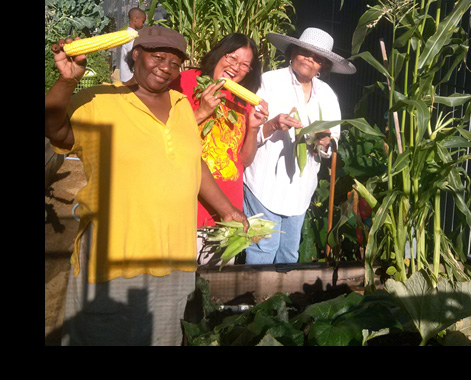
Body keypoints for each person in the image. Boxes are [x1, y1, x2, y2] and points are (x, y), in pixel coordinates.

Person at [44, 26, 248, 346]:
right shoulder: (99, 100)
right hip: (114, 260)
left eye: (174, 61)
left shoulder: (182, 106)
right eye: (158, 56)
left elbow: (191, 161)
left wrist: (227, 208)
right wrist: (68, 80)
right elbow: (55, 131)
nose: (165, 67)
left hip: (175, 262)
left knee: (162, 339)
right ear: (136, 54)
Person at [243, 27, 356, 265]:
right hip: (264, 183)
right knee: (263, 248)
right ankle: (254, 300)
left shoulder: (327, 95)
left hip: (299, 188)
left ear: (322, 66)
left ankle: (282, 301)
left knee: (289, 253)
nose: (310, 60)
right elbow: (250, 130)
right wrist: (273, 124)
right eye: (305, 53)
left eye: (317, 58)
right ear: (293, 53)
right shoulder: (270, 81)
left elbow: (330, 144)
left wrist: (324, 141)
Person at [169, 34, 269, 265]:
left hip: (227, 211)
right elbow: (164, 136)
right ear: (218, 53)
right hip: (186, 205)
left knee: (212, 289)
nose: (236, 68)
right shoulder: (185, 81)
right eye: (232, 57)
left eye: (244, 65)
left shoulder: (242, 101)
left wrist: (253, 128)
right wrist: (201, 112)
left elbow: (243, 160)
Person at [118, 7, 146, 82]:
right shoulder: (131, 37)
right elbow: (134, 55)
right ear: (135, 19)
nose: (143, 24)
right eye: (143, 21)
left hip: (126, 76)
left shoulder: (128, 33)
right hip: (129, 76)